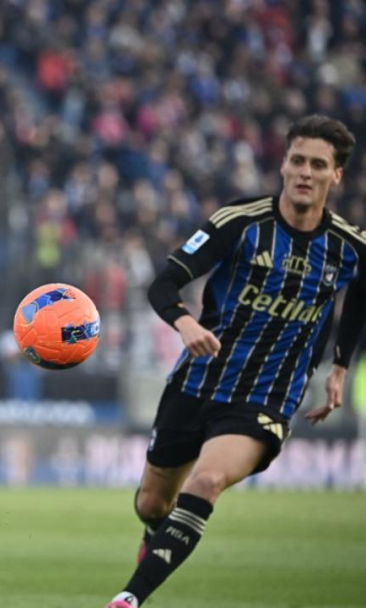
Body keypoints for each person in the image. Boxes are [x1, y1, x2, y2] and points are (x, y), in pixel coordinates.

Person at [105, 114, 366, 608]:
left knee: (206, 481)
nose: (305, 172)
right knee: (152, 502)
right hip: (197, 381)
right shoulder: (239, 222)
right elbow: (164, 282)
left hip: (267, 396)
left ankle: (128, 599)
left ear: (336, 175)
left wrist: (339, 363)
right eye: (297, 161)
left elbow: (359, 296)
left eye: (318, 164)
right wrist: (185, 322)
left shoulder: (349, 246)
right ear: (283, 165)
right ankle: (156, 538)